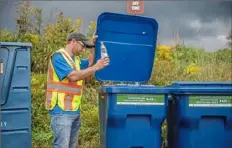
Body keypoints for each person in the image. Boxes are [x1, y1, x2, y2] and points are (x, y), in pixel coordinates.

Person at [45, 31, 109, 148]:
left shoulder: (77, 60)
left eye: (86, 47)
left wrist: (93, 46)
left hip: (74, 111)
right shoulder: (58, 57)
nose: (83, 49)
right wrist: (97, 67)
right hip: (61, 111)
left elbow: (89, 62)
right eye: (82, 45)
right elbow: (73, 76)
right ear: (73, 42)